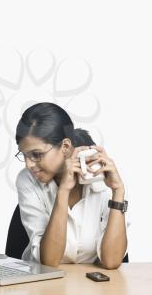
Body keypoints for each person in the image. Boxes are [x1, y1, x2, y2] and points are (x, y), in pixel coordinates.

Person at [14, 102, 130, 269]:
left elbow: (111, 262)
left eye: (36, 154)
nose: (28, 164)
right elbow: (50, 262)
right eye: (23, 155)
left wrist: (118, 192)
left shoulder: (104, 177)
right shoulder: (27, 180)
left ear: (65, 146)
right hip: (43, 285)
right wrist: (63, 192)